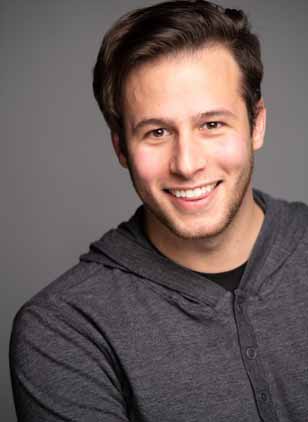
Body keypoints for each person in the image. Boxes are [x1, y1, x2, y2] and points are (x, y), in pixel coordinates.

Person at [9, 1, 308, 421]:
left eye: (211, 125)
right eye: (157, 132)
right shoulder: (64, 330)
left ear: (256, 124)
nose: (186, 164)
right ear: (120, 148)